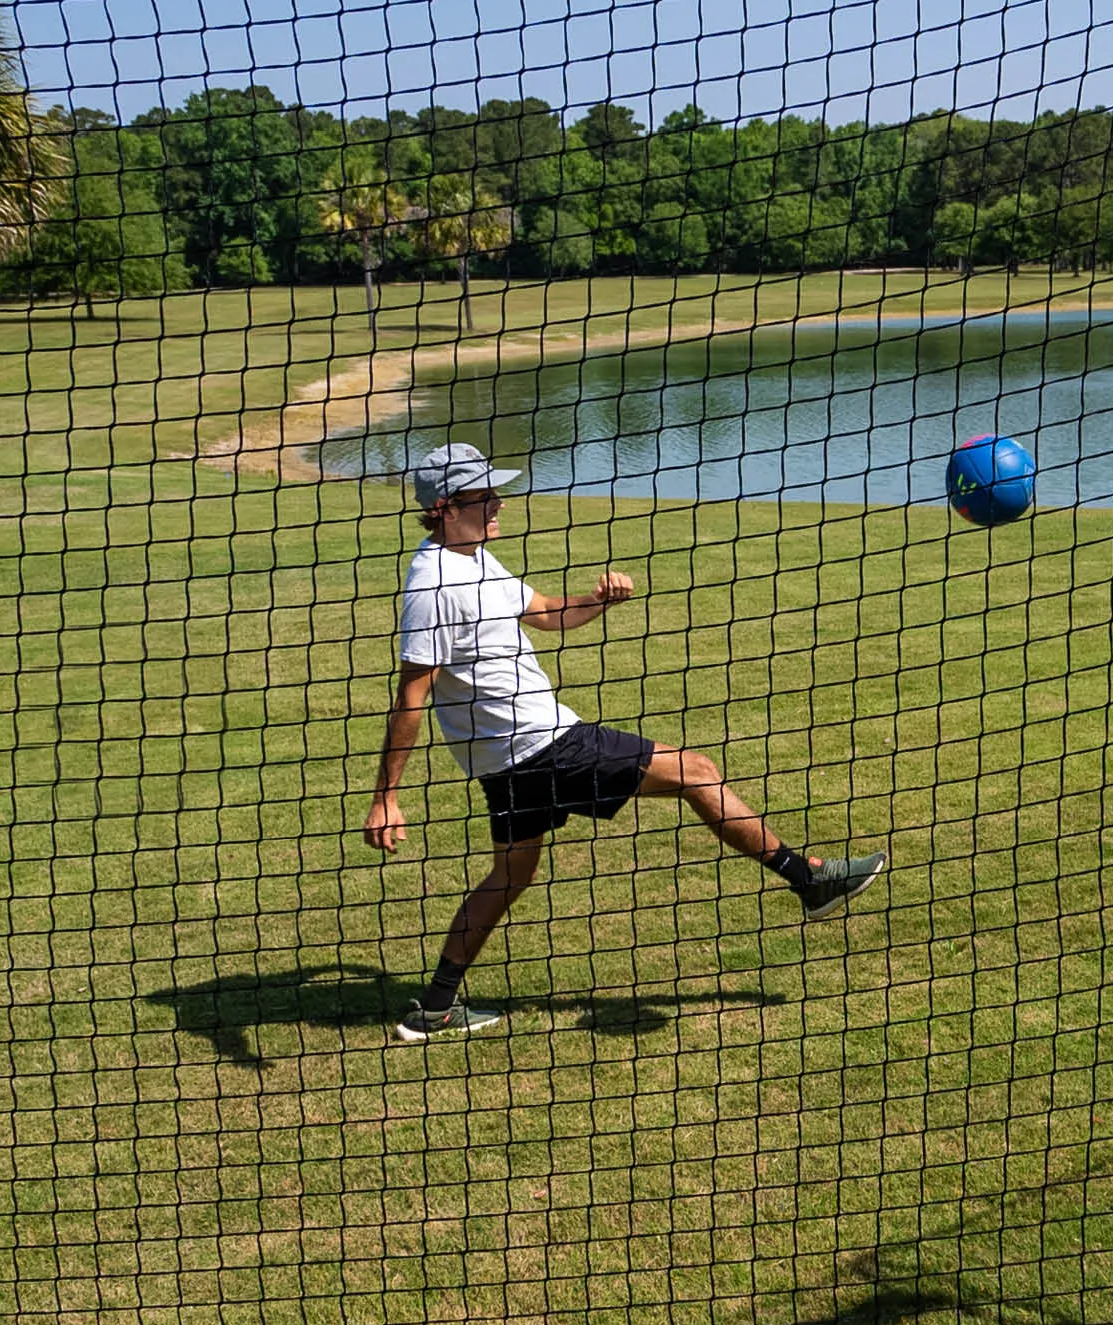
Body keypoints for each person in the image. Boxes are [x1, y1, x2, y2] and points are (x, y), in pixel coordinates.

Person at [364, 444, 885, 1042]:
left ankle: (434, 1009)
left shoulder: (473, 559)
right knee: (695, 772)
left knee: (510, 876)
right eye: (486, 496)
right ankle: (810, 878)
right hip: (542, 743)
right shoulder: (434, 585)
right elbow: (412, 694)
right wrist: (387, 797)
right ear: (448, 505)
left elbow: (543, 613)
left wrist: (596, 600)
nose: (499, 502)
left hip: (507, 760)